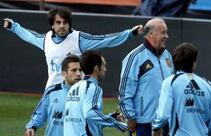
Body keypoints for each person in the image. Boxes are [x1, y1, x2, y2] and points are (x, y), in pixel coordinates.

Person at [3, 7, 141, 88]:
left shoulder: (79, 39)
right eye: (58, 22)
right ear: (52, 25)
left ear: (69, 24)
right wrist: (13, 27)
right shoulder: (45, 40)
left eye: (65, 22)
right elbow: (28, 35)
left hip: (74, 93)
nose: (62, 25)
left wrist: (130, 33)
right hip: (51, 92)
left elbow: (105, 40)